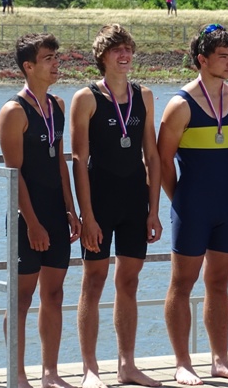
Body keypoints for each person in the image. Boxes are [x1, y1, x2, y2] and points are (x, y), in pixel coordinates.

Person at [70, 24, 163, 388]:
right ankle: (90, 369)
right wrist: (87, 215)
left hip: (134, 202)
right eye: (116, 50)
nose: (124, 56)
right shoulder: (87, 98)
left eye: (128, 49)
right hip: (100, 202)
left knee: (129, 281)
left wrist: (153, 210)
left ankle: (127, 365)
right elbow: (79, 160)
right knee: (93, 282)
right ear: (102, 57)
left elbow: (152, 156)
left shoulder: (145, 95)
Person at [157, 24, 228, 385]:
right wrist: (181, 200)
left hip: (227, 202)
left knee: (220, 284)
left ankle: (220, 360)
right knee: (182, 284)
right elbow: (163, 162)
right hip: (191, 204)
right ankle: (183, 363)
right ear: (202, 59)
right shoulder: (180, 105)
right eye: (222, 57)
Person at [0, 33, 81, 388]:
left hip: (55, 213)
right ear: (29, 66)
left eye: (56, 57)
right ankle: (17, 374)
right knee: (21, 297)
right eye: (49, 58)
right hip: (26, 217)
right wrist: (32, 223)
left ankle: (50, 373)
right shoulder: (14, 112)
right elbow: (13, 174)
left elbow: (60, 162)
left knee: (54, 294)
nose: (56, 63)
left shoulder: (58, 105)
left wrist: (71, 209)